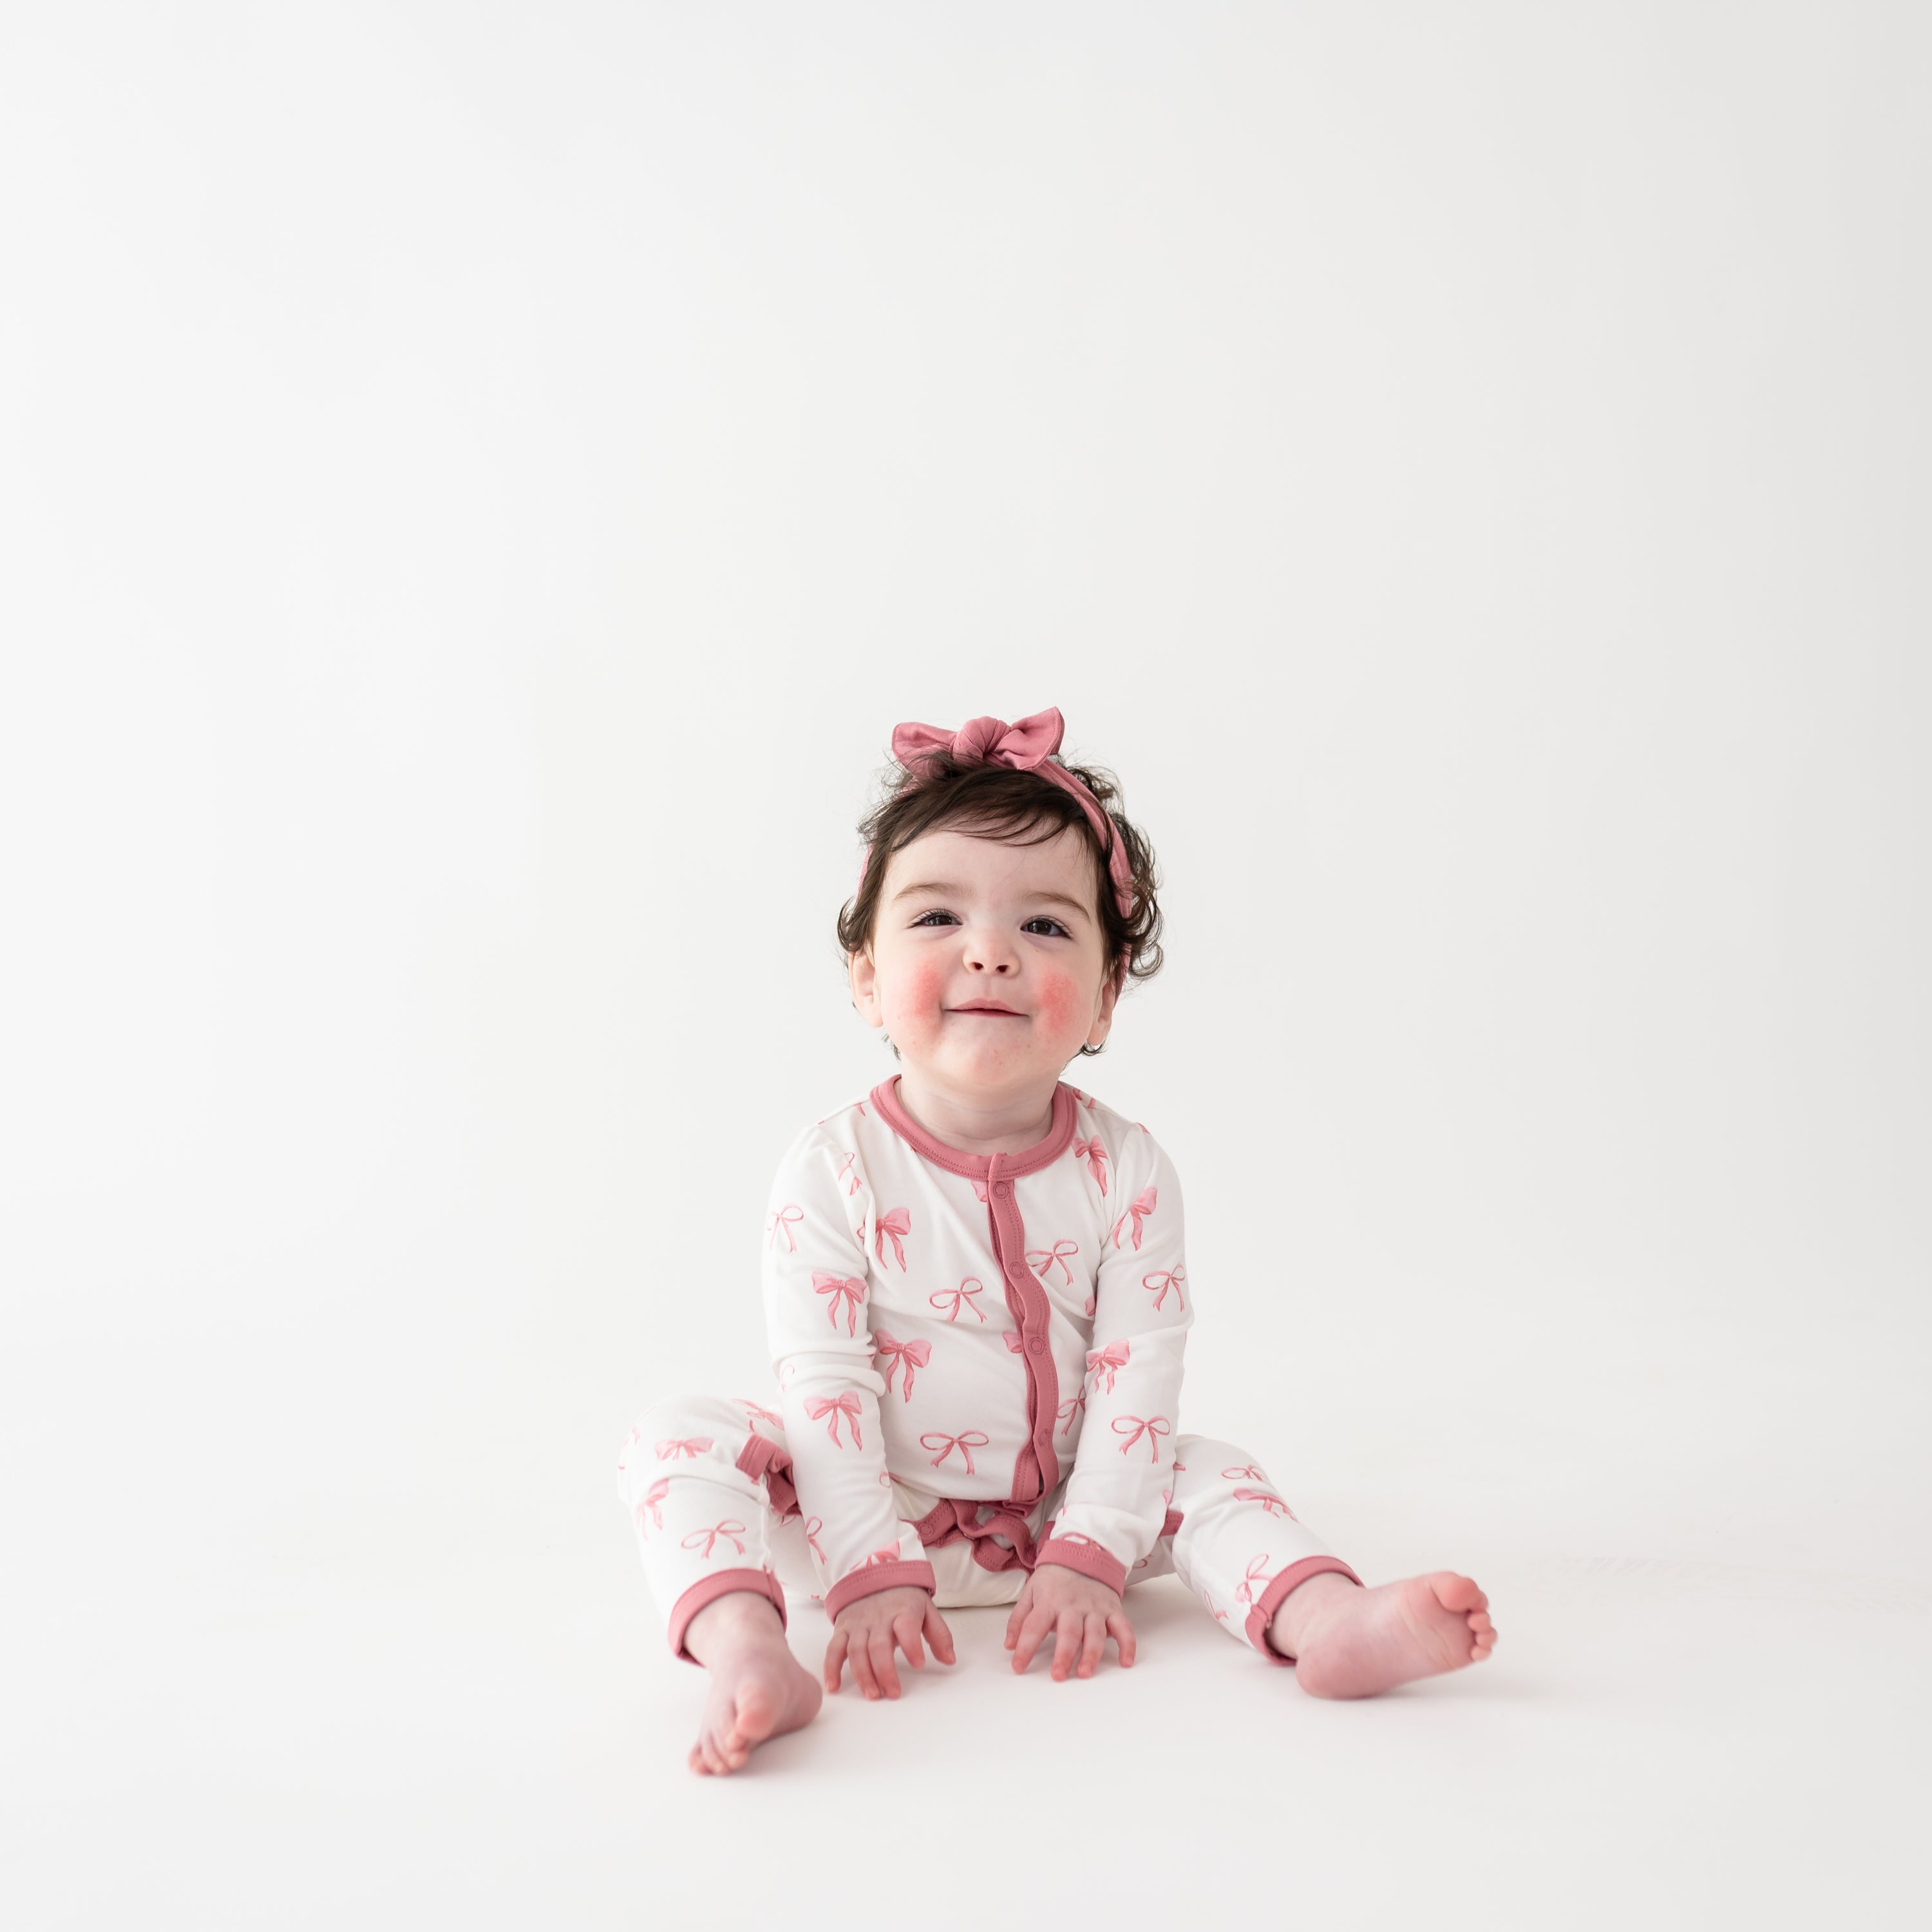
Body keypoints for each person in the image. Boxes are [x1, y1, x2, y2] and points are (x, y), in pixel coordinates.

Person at [618, 707, 1497, 1776]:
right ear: (863, 976)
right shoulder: (832, 1167)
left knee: (1212, 1473)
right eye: (937, 916)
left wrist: (1093, 1548)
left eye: (1044, 927)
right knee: (680, 1439)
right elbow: (826, 1383)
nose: (990, 950)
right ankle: (751, 1650)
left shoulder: (1127, 1170)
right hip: (871, 1509)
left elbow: (1138, 1372)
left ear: (1106, 997)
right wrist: (867, 1566)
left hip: (1070, 1506)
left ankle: (1325, 1620)